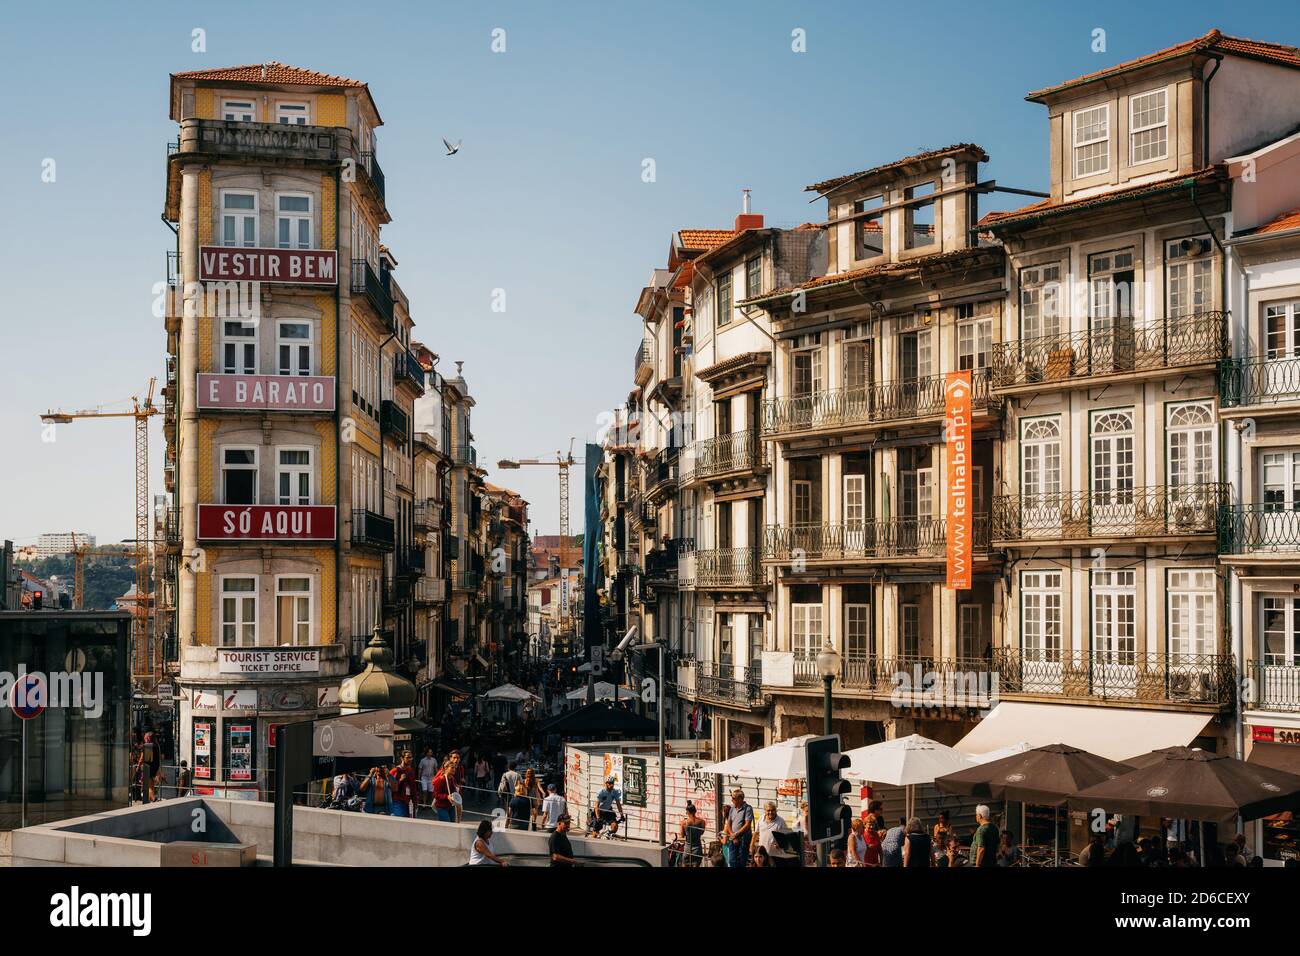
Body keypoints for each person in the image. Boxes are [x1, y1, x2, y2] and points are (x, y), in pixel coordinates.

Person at [754, 802, 798, 867]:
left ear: (776, 810)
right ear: (765, 811)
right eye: (768, 810)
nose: (771, 812)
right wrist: (752, 846)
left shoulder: (781, 821)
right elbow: (756, 833)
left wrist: (779, 844)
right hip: (762, 855)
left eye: (773, 810)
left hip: (775, 855)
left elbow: (785, 838)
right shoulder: (761, 819)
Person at [722, 788, 755, 868]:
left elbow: (747, 824)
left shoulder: (747, 808)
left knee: (741, 861)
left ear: (740, 799)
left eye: (733, 798)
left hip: (743, 839)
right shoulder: (732, 808)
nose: (732, 800)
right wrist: (732, 835)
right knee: (732, 860)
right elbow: (729, 822)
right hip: (733, 838)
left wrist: (736, 834)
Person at [387, 750, 419, 818]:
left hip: (408, 802)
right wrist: (400, 780)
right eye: (407, 757)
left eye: (411, 757)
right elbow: (390, 787)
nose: (410, 759)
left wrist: (415, 801)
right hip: (397, 801)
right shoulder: (395, 770)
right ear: (402, 758)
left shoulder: (411, 771)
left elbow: (413, 788)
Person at [970, 804, 999, 868]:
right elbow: (997, 845)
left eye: (976, 815)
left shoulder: (981, 830)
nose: (976, 816)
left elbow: (981, 849)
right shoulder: (994, 828)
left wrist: (977, 865)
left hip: (981, 863)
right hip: (992, 862)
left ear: (980, 816)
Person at [680, 802, 706, 866]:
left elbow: (682, 835)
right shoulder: (702, 822)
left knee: (685, 864)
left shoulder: (684, 822)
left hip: (688, 848)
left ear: (688, 812)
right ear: (695, 811)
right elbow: (701, 833)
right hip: (697, 847)